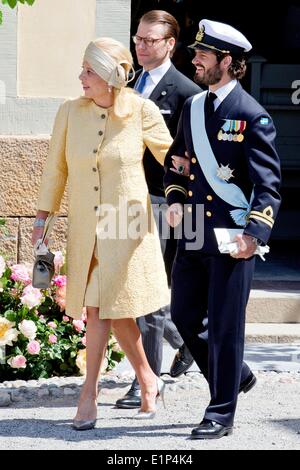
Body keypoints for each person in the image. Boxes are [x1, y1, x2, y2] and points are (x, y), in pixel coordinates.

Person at [32, 37, 174, 429]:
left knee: (98, 307)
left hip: (125, 225)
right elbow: (55, 169)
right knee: (113, 307)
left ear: (111, 77)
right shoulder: (69, 113)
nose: (81, 77)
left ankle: (88, 394)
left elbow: (175, 159)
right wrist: (41, 219)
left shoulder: (141, 111)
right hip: (85, 225)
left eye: (89, 70)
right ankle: (148, 378)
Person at [164, 19, 281, 439]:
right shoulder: (192, 108)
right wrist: (176, 198)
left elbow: (268, 186)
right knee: (184, 315)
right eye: (195, 53)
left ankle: (220, 410)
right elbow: (176, 161)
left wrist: (255, 234)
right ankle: (239, 374)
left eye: (203, 55)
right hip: (194, 230)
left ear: (227, 62)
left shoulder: (253, 115)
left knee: (227, 325)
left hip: (234, 234)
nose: (194, 61)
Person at [115, 10, 201, 410]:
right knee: (124, 286)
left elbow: (189, 154)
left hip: (162, 202)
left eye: (150, 40)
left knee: (146, 289)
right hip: (121, 200)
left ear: (170, 44)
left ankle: (144, 379)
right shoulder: (124, 85)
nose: (141, 46)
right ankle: (183, 341)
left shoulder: (186, 92)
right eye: (137, 39)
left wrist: (183, 204)